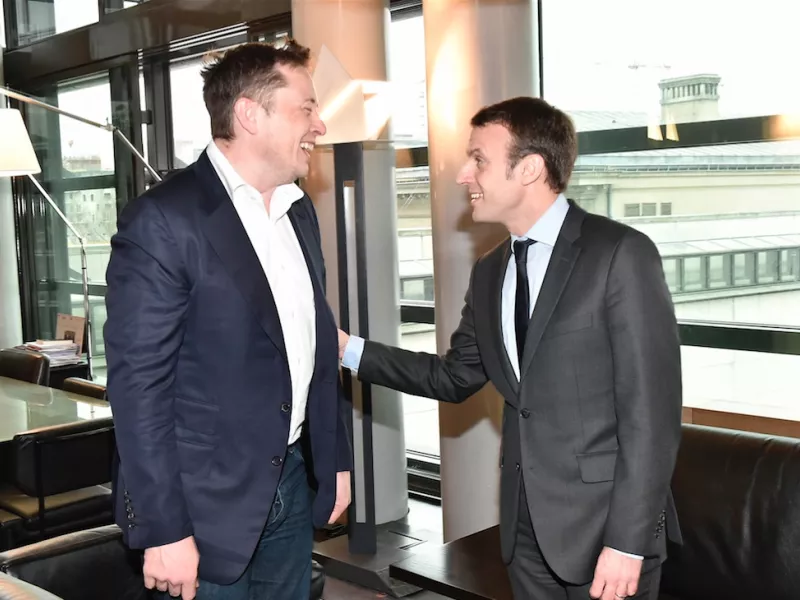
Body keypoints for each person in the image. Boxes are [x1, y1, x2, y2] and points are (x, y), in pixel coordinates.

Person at [338, 96, 682, 600]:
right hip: (524, 535)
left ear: (530, 169)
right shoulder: (490, 270)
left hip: (606, 532)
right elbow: (453, 376)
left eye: (478, 159)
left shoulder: (621, 254)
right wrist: (348, 349)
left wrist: (627, 543)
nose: (463, 175)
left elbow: (651, 416)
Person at [104, 40, 352, 600]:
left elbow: (313, 344)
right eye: (306, 109)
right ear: (249, 114)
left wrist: (334, 460)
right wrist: (164, 528)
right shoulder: (163, 219)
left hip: (290, 482)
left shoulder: (299, 210)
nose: (320, 124)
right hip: (200, 510)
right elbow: (138, 389)